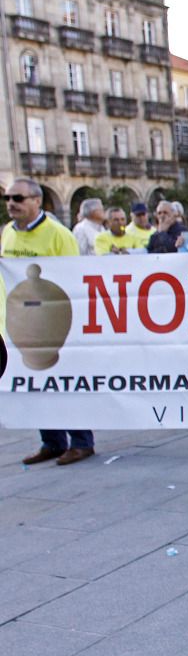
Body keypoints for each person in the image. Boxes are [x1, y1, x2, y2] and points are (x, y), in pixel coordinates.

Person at [2, 178, 95, 466]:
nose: (11, 204)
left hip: (53, 322)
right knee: (35, 382)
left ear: (37, 201)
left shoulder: (58, 234)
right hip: (20, 322)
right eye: (7, 198)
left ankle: (81, 441)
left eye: (18, 198)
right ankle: (52, 441)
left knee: (62, 382)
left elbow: (73, 278)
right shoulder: (8, 233)